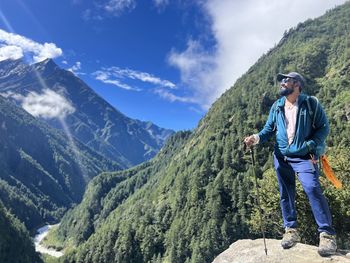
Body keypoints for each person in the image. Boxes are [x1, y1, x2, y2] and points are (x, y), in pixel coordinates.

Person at [244, 72, 337, 256]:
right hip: (281, 156)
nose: (282, 83)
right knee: (286, 193)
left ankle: (327, 235)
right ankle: (291, 230)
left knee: (312, 189)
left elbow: (323, 128)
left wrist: (311, 145)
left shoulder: (310, 103)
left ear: (297, 84)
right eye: (282, 80)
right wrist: (255, 138)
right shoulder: (277, 106)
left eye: (286, 80)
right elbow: (269, 129)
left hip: (303, 157)